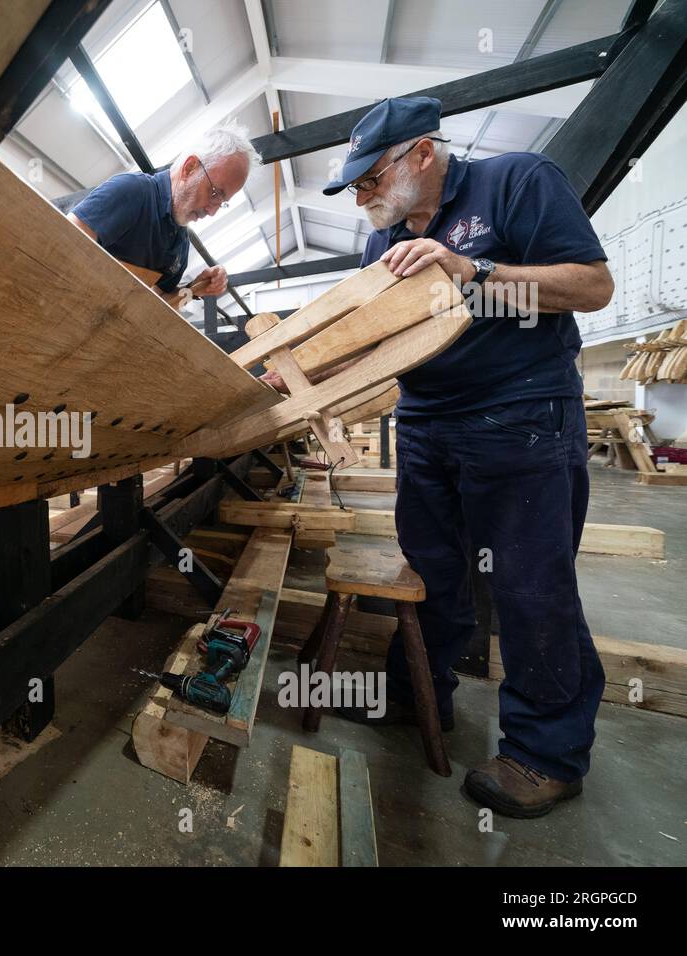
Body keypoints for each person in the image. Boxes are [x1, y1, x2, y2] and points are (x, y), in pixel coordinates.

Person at [321, 96, 614, 819]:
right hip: (427, 423)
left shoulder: (517, 182)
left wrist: (469, 269)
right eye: (353, 186)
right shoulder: (380, 245)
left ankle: (546, 754)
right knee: (432, 573)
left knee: (529, 584)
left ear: (423, 153)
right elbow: (371, 338)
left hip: (520, 417)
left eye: (371, 178)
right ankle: (419, 695)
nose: (363, 196)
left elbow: (592, 286)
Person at [67, 123, 254, 310]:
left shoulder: (180, 246)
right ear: (189, 168)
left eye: (222, 203)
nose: (212, 212)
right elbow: (64, 242)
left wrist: (195, 290)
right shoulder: (132, 192)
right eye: (215, 193)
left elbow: (157, 307)